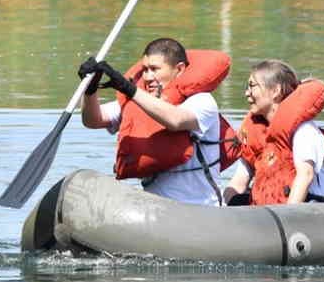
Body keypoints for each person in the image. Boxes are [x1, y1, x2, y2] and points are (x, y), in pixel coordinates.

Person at [78, 38, 231, 206]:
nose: (147, 77)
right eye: (144, 70)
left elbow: (176, 120)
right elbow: (93, 120)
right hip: (156, 210)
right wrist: (90, 89)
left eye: (154, 69)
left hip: (201, 209)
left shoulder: (202, 101)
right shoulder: (136, 103)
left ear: (179, 69)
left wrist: (129, 89)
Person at [224, 60, 324, 206]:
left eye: (252, 86)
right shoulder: (256, 136)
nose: (246, 93)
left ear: (275, 91)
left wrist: (283, 221)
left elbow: (305, 176)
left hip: (317, 214)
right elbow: (238, 183)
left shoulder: (304, 131)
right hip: (270, 217)